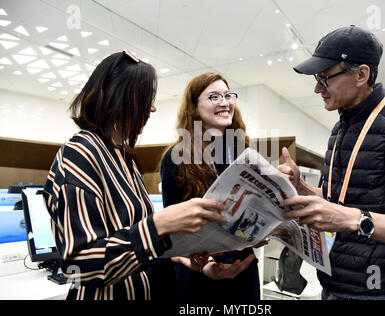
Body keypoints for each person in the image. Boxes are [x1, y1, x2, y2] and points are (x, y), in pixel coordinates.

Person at [279, 26, 385, 300]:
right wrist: (299, 186)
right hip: (335, 286)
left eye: (324, 78)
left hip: (383, 293)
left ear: (361, 74)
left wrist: (354, 219)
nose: (317, 88)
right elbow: (337, 200)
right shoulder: (340, 130)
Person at [42, 51, 225, 300]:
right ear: (122, 98)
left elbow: (133, 242)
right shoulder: (79, 153)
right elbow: (80, 264)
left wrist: (172, 255)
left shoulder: (123, 157)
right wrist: (159, 225)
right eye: (147, 98)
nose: (153, 107)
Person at [159, 72, 261, 301]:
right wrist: (207, 265)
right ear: (194, 109)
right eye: (214, 97)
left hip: (242, 268)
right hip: (199, 273)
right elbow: (173, 229)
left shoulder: (243, 151)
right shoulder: (177, 157)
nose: (224, 102)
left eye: (228, 95)